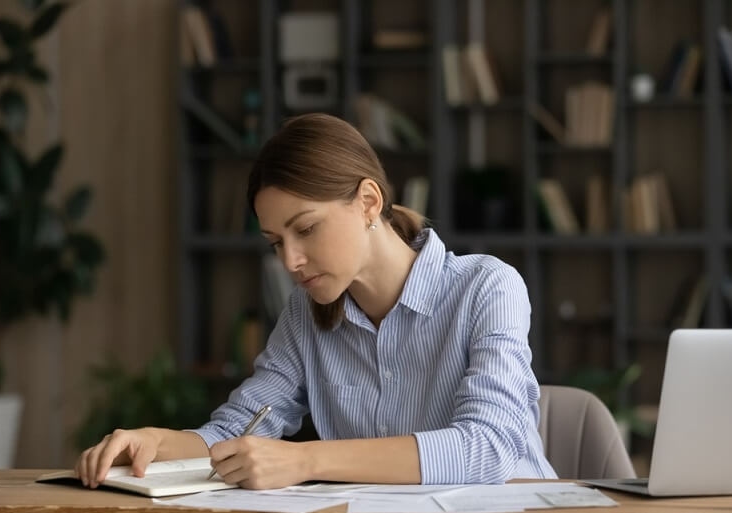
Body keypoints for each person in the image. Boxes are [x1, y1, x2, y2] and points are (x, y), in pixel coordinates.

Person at [76, 113, 557, 490]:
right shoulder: (305, 316)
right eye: (275, 242)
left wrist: (306, 460)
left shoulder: (488, 287)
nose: (290, 260)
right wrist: (156, 441)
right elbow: (244, 431)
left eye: (305, 229)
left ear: (369, 202)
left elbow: (488, 448)